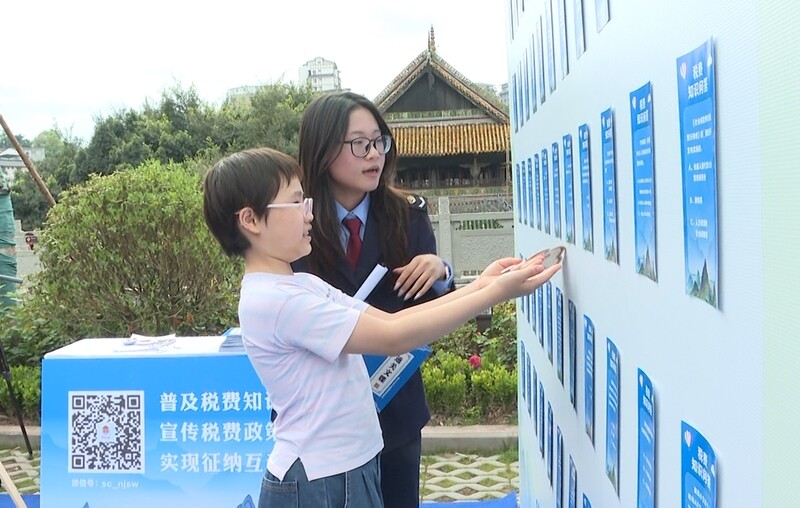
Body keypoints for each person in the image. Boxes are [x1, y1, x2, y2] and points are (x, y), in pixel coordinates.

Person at [202, 146, 561, 508]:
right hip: (319, 479)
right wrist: (495, 294)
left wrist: (482, 286)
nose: (309, 213)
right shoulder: (276, 301)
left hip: (341, 468)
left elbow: (391, 321)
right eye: (296, 203)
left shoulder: (299, 285)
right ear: (250, 220)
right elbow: (392, 338)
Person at [293, 91, 453, 508]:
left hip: (393, 405)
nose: (374, 154)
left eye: (379, 141)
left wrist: (440, 272)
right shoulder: (294, 223)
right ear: (323, 150)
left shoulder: (407, 215)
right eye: (359, 144)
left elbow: (432, 311)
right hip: (321, 416)